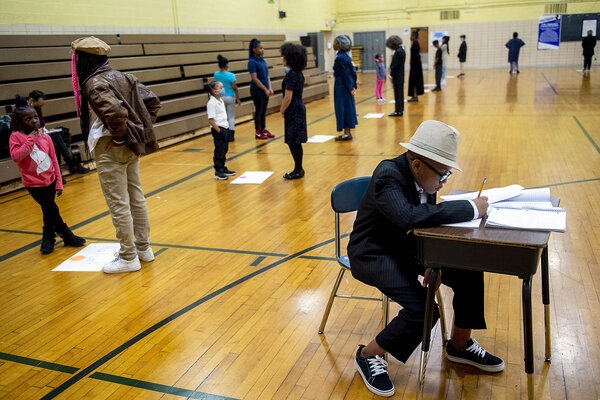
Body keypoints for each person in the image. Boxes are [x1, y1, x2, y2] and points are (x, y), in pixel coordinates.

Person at [347, 120, 504, 397]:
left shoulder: (423, 177)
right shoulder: (388, 175)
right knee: (423, 310)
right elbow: (407, 216)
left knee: (469, 268)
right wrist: (469, 208)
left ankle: (459, 344)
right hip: (372, 252)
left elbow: (425, 223)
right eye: (441, 175)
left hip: (406, 247)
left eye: (447, 175)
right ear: (417, 164)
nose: (443, 183)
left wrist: (434, 259)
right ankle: (369, 353)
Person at [71, 36, 161, 274]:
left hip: (110, 146)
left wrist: (120, 136)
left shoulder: (93, 82)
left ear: (83, 59)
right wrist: (134, 133)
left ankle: (128, 256)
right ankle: (144, 249)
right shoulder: (125, 76)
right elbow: (153, 102)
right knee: (136, 197)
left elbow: (113, 112)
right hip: (129, 147)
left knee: (118, 203)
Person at [9, 106, 86, 254]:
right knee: (52, 208)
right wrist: (31, 139)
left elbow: (54, 160)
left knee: (48, 210)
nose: (33, 121)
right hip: (33, 183)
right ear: (19, 122)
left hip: (49, 179)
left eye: (35, 117)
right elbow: (16, 156)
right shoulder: (15, 137)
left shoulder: (47, 137)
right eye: (28, 118)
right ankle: (66, 234)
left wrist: (58, 181)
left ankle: (49, 238)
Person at [18, 91, 90, 182]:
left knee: (57, 136)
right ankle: (70, 165)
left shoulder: (36, 109)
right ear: (31, 100)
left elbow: (41, 125)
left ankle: (62, 170)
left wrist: (47, 130)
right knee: (55, 143)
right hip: (31, 138)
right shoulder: (23, 111)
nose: (40, 108)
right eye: (38, 105)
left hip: (41, 134)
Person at [280, 43, 308, 180]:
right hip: (299, 107)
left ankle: (298, 169)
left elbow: (288, 96)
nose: (282, 58)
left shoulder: (291, 75)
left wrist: (282, 109)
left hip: (293, 109)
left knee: (293, 141)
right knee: (295, 141)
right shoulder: (299, 73)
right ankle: (298, 168)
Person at [206, 81, 236, 181]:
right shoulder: (212, 103)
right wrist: (219, 131)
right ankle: (218, 171)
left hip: (225, 128)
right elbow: (211, 120)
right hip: (218, 130)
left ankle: (223, 168)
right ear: (215, 91)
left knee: (224, 149)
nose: (223, 89)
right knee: (219, 151)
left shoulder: (221, 100)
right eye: (221, 87)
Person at [248, 38, 274, 140]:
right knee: (259, 111)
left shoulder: (263, 60)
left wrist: (270, 88)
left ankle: (263, 129)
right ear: (254, 49)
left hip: (265, 90)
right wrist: (264, 89)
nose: (262, 50)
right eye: (260, 48)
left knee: (263, 111)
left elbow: (267, 76)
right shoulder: (252, 62)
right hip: (257, 90)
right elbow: (254, 78)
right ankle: (257, 131)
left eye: (263, 48)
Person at [333, 35, 358, 141]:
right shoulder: (346, 56)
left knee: (342, 109)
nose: (333, 43)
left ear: (339, 44)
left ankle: (347, 133)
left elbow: (345, 75)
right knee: (348, 108)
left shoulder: (340, 58)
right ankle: (347, 132)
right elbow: (353, 73)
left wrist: (350, 88)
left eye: (335, 42)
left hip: (341, 86)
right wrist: (353, 85)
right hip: (346, 85)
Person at [214, 55, 240, 142]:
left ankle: (223, 134)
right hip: (230, 96)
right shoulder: (231, 75)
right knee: (231, 116)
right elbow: (235, 88)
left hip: (220, 97)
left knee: (222, 117)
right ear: (227, 64)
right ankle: (231, 135)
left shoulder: (216, 74)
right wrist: (238, 98)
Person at [386, 35, 405, 117]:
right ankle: (400, 109)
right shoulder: (402, 50)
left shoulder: (398, 52)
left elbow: (394, 65)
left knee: (397, 95)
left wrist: (391, 75)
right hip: (401, 75)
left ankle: (398, 111)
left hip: (397, 76)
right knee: (400, 94)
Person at [407, 30, 424, 102]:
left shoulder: (416, 44)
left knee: (414, 80)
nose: (411, 37)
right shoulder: (414, 43)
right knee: (413, 80)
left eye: (412, 35)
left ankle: (415, 96)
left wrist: (413, 62)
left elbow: (416, 56)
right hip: (415, 64)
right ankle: (414, 95)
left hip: (416, 66)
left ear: (414, 36)